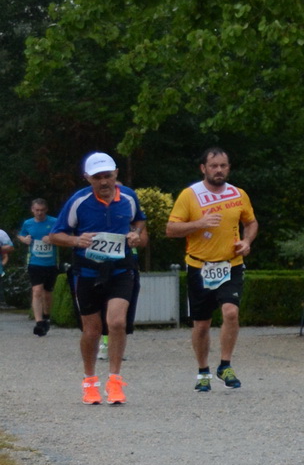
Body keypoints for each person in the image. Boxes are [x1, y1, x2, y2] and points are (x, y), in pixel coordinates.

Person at [48, 153, 148, 405]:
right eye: (97, 177)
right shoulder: (78, 201)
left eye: (108, 176)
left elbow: (140, 224)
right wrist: (75, 240)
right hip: (87, 272)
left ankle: (115, 380)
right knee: (92, 330)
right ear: (87, 178)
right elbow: (55, 235)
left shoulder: (128, 197)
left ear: (116, 174)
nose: (103, 182)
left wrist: (136, 235)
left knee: (116, 322)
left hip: (121, 270)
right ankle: (90, 381)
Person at [166, 147, 259, 391]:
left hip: (231, 265)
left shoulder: (238, 194)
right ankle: (203, 371)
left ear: (229, 168)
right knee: (202, 324)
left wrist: (247, 241)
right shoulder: (190, 195)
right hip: (199, 266)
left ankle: (225, 365)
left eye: (223, 166)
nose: (219, 170)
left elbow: (251, 222)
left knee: (230, 312)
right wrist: (199, 223)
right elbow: (171, 229)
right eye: (214, 166)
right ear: (203, 168)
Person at [18, 198, 61, 336]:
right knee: (37, 291)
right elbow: (21, 235)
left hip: (51, 263)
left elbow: (65, 237)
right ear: (32, 210)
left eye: (42, 210)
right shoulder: (28, 223)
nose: (39, 213)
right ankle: (39, 322)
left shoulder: (54, 222)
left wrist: (52, 239)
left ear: (46, 210)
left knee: (47, 294)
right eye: (37, 210)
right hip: (34, 262)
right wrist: (24, 240)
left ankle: (46, 316)